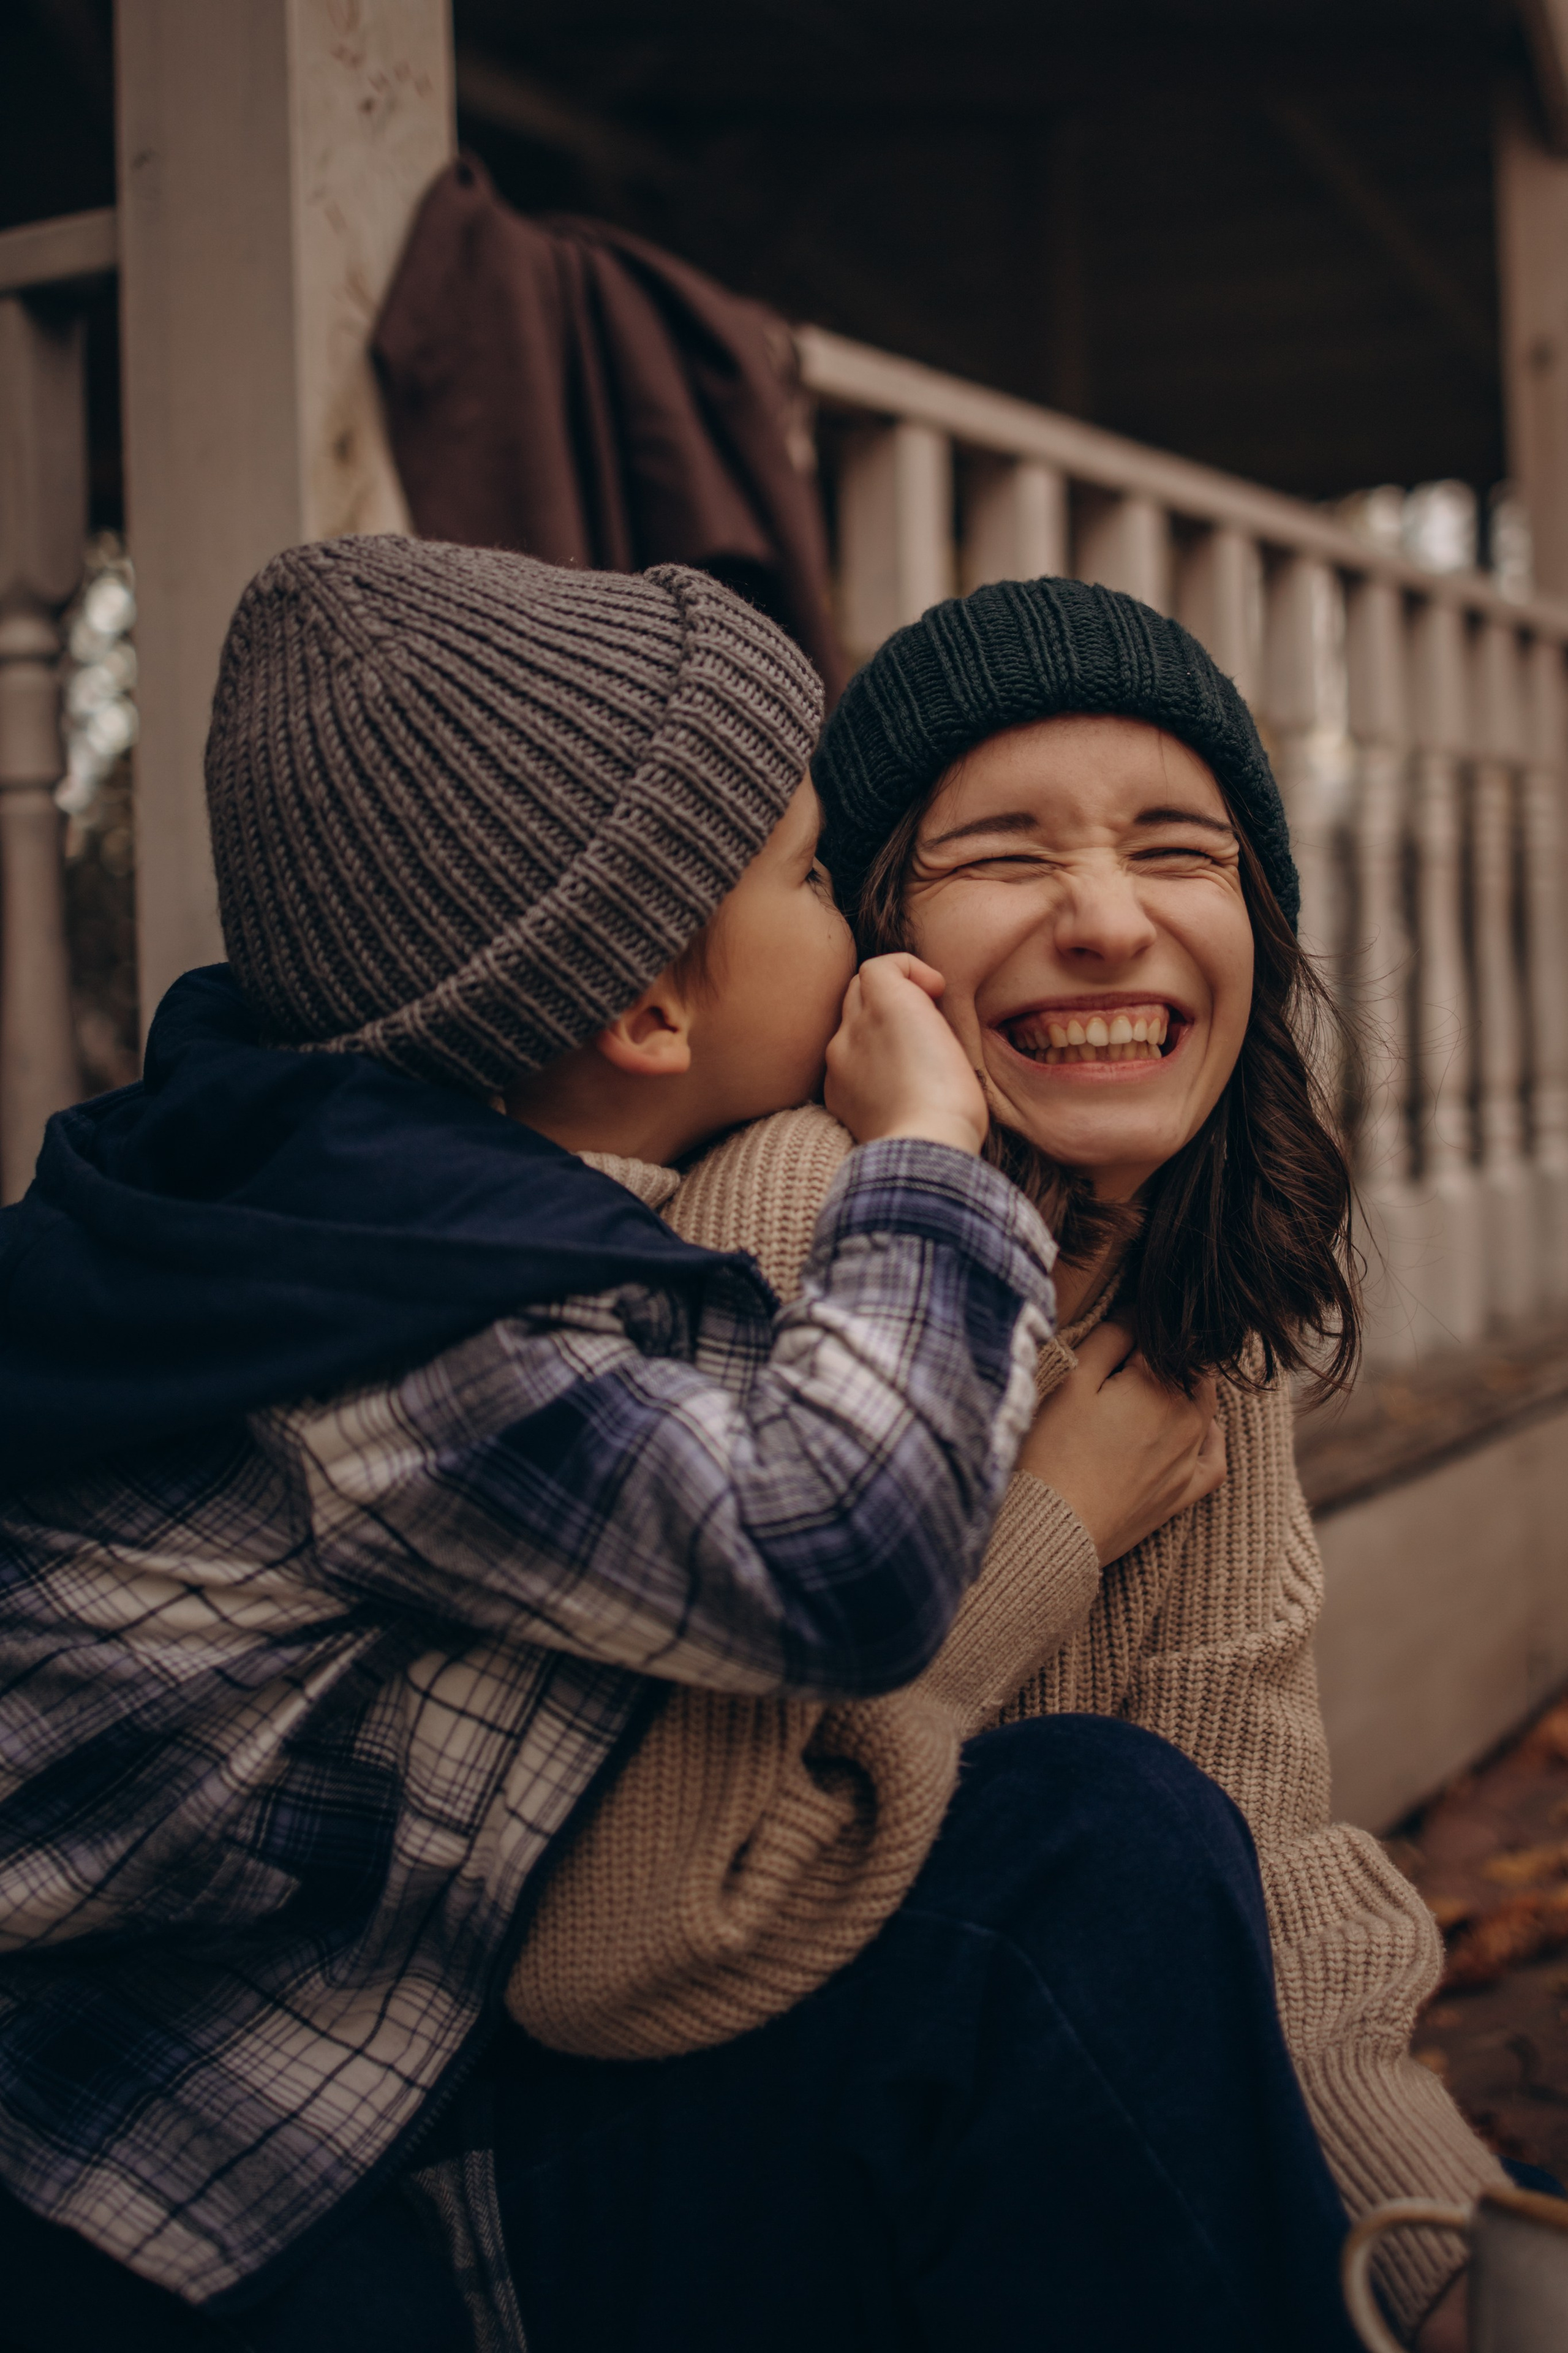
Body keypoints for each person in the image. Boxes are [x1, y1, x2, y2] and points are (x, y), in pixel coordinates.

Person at [0, 537, 1103, 2348]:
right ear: (652, 1008)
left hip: (286, 2076)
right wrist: (923, 1157)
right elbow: (843, 1559)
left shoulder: (343, 1193)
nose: (861, 926)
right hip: (136, 2165)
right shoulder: (421, 1337)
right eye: (814, 876)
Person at [497, 578, 1510, 2351]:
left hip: (990, 2113)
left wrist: (1449, 2269)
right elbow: (636, 1941)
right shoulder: (798, 1213)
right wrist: (1050, 1525)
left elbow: (1256, 1859)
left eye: (1177, 847)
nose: (1110, 919)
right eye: (1008, 854)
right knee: (1107, 1834)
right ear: (880, 931)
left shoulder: (1197, 1273)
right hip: (657, 2171)